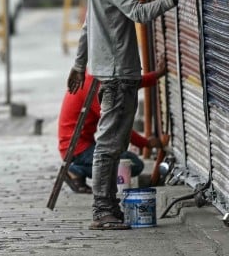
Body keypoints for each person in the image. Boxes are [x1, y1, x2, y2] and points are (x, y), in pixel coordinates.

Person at [67, 0, 196, 230]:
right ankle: (102, 209)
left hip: (110, 72)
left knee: (113, 144)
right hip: (115, 73)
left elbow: (87, 28)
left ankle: (107, 206)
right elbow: (138, 12)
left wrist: (79, 65)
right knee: (109, 145)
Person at [58, 60, 167, 194]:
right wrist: (146, 143)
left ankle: (78, 171)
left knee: (120, 159)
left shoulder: (96, 76)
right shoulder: (91, 85)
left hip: (79, 146)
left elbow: (127, 84)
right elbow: (115, 124)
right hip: (76, 149)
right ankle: (76, 171)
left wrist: (156, 75)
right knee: (134, 164)